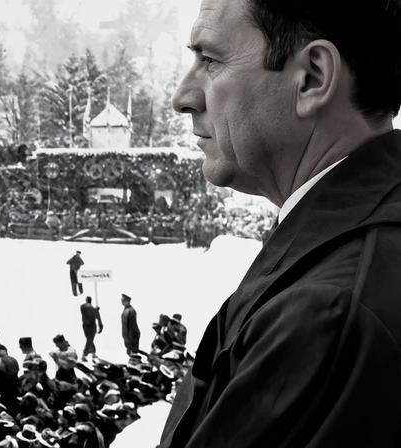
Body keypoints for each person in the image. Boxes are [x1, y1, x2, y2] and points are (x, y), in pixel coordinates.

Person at [161, 0, 401, 446]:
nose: (183, 97)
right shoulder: (356, 251)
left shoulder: (327, 314)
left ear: (311, 77)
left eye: (210, 60)